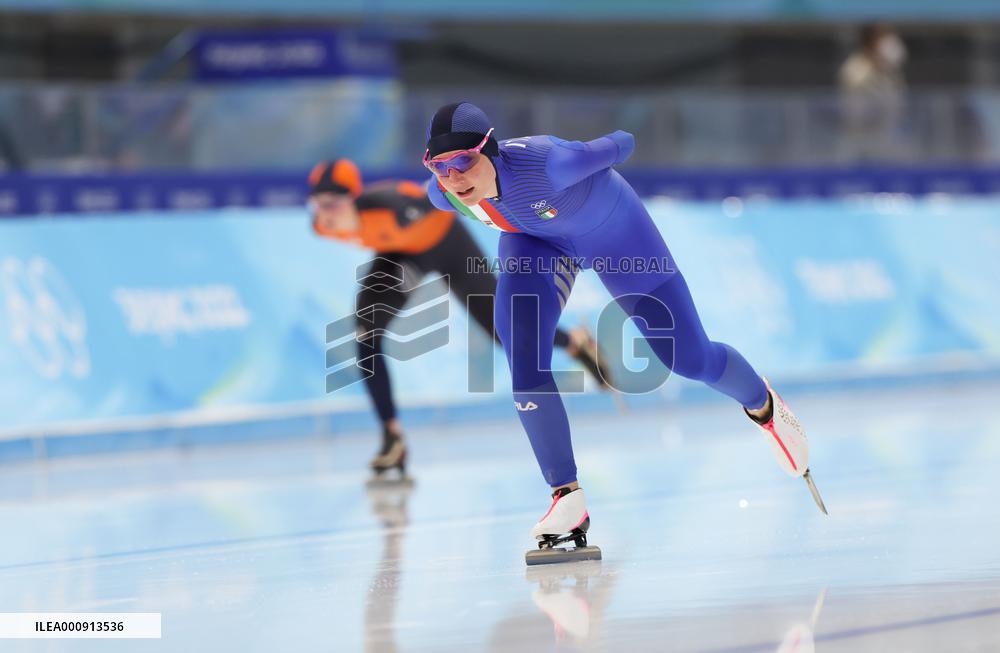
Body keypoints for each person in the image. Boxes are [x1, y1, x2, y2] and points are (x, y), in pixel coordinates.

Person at [420, 102, 826, 561]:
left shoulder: (553, 165)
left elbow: (623, 142)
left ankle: (765, 406)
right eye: (439, 166)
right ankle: (566, 496)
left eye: (464, 162)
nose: (453, 177)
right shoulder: (443, 195)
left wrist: (595, 147)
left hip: (617, 234)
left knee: (687, 359)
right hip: (536, 243)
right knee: (521, 348)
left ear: (488, 150)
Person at [308, 159, 612, 478]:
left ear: (353, 198)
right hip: (401, 253)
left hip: (448, 244)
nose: (326, 211)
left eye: (334, 202)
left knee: (502, 331)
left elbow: (441, 196)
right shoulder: (321, 226)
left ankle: (575, 342)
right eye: (319, 203)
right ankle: (392, 436)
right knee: (365, 334)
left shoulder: (391, 206)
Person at [838, 24, 907, 162]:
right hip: (860, 139)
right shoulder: (854, 67)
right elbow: (854, 93)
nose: (889, 43)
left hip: (888, 137)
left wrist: (885, 67)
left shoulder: (891, 73)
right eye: (883, 38)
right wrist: (876, 66)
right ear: (871, 41)